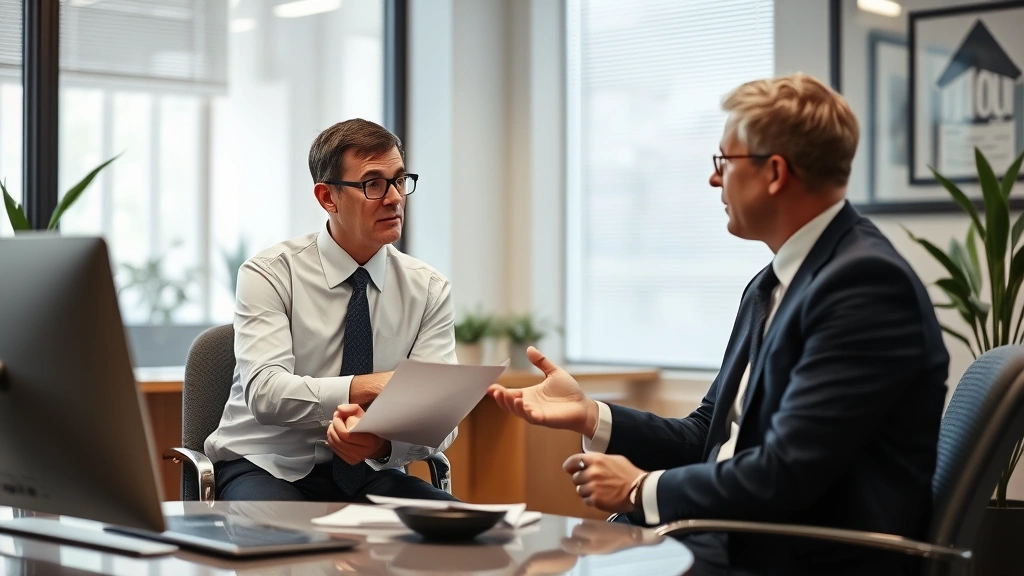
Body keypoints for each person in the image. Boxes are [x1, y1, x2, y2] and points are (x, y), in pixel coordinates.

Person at [488, 73, 949, 574]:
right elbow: (711, 434)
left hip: (800, 556)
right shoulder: (774, 282)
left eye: (724, 162)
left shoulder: (864, 286)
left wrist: (640, 487)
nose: (714, 179)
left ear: (774, 172)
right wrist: (590, 415)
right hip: (739, 534)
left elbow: (784, 474)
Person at [206, 118, 459, 503]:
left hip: (372, 471)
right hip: (267, 465)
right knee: (288, 554)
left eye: (399, 180)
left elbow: (440, 418)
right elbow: (266, 394)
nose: (394, 198)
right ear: (328, 197)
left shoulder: (428, 289)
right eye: (374, 184)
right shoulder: (270, 273)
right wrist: (374, 385)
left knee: (463, 542)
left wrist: (379, 445)